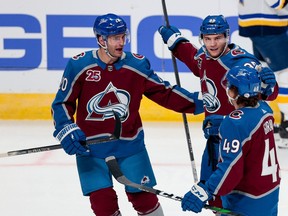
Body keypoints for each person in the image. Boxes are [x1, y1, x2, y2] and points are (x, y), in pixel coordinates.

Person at [51, 13, 203, 216]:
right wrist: (65, 127)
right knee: (102, 205)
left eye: (123, 36)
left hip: (129, 145)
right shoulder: (79, 66)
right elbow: (61, 103)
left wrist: (200, 103)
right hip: (90, 150)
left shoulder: (136, 65)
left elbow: (164, 93)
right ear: (100, 40)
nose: (121, 42)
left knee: (145, 200)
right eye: (115, 37)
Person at [158, 14, 278, 208]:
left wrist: (269, 86)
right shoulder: (204, 56)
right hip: (215, 139)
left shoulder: (240, 63)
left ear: (227, 37)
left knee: (230, 190)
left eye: (218, 38)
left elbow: (264, 95)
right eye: (208, 38)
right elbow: (191, 56)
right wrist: (174, 41)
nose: (213, 44)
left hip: (236, 138)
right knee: (214, 197)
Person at [181, 66, 281, 216]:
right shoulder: (265, 109)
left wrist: (204, 191)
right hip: (269, 194)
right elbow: (251, 128)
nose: (227, 90)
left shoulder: (234, 124)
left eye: (229, 87)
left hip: (246, 201)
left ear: (235, 91)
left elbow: (230, 169)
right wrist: (223, 121)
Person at [238, 0, 288, 148]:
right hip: (266, 23)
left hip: (258, 22)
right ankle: (286, 126)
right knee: (285, 72)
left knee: (265, 74)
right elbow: (278, 3)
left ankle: (262, 123)